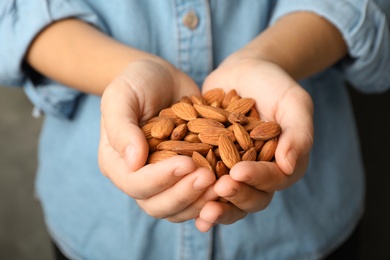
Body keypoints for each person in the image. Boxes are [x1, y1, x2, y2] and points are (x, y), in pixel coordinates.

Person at [1, 1, 389, 259]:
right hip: (102, 230)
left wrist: (269, 57)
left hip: (305, 226)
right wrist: (121, 71)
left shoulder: (237, 125)